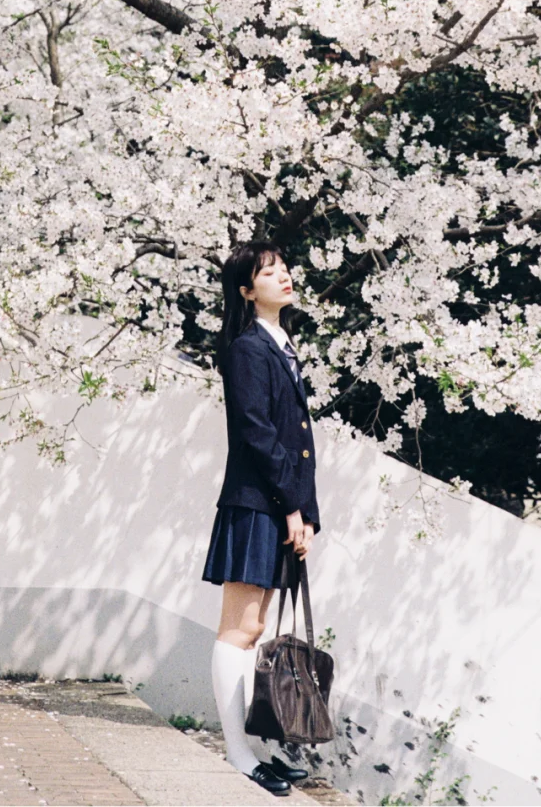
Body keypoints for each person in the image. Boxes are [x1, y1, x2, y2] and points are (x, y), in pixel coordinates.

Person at [201, 239, 321, 797]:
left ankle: (250, 748)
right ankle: (237, 753)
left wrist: (308, 513)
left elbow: (299, 439)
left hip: (277, 506)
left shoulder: (282, 343)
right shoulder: (248, 347)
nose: (284, 277)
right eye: (269, 272)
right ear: (247, 291)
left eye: (285, 269)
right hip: (256, 503)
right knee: (241, 629)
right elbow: (256, 431)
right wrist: (292, 506)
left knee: (251, 630)